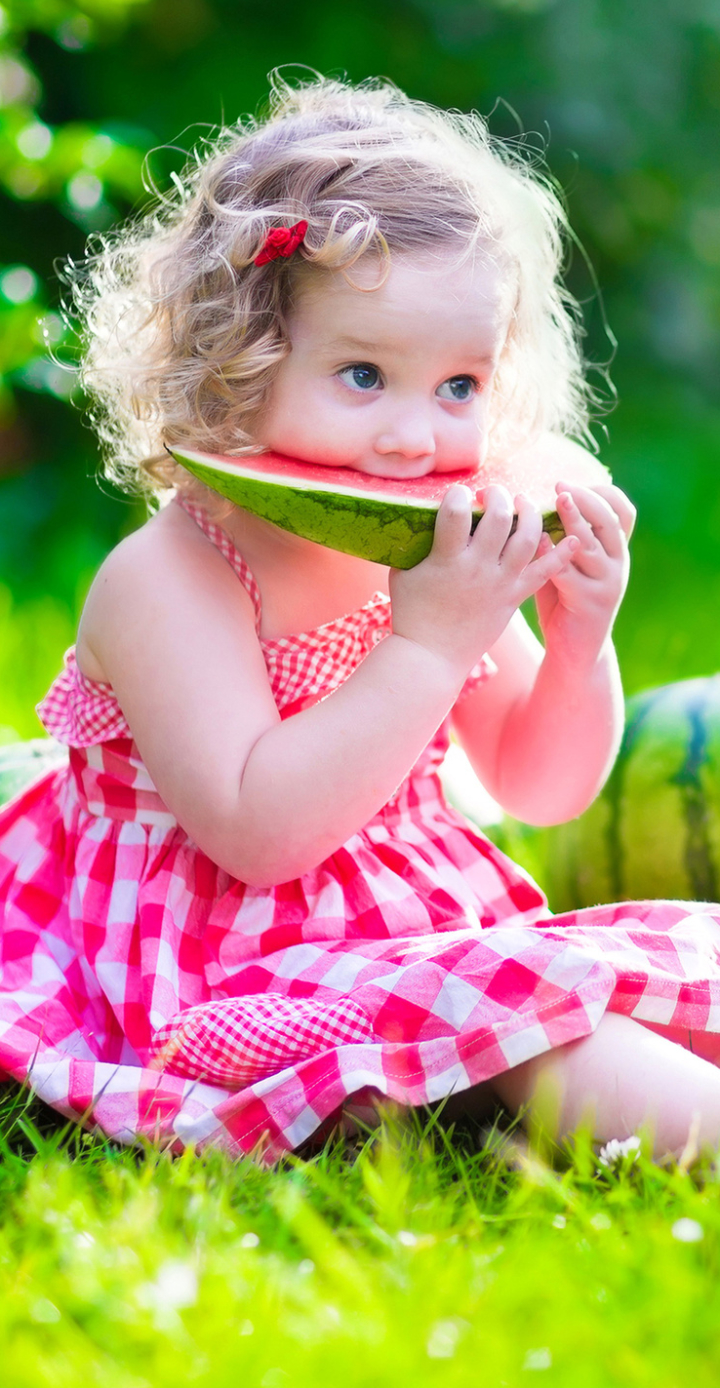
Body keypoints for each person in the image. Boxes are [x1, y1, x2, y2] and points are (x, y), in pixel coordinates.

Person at [2, 74, 720, 1165]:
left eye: (459, 387)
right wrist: (425, 645)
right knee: (544, 1036)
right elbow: (256, 833)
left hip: (414, 929)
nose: (411, 440)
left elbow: (542, 784)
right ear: (238, 359)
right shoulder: (173, 576)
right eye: (363, 375)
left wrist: (579, 639)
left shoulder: (434, 545)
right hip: (216, 970)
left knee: (634, 988)